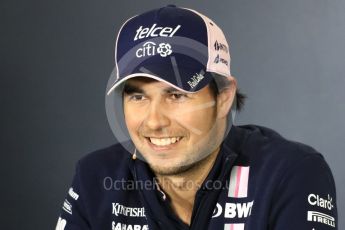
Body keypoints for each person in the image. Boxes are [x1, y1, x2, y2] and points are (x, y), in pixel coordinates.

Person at [56, 5, 338, 230]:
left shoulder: (289, 174)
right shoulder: (96, 177)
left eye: (177, 95)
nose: (154, 121)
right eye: (138, 96)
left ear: (224, 97)